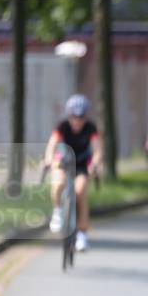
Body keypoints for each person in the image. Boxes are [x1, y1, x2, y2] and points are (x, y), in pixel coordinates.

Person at [44, 94, 102, 252]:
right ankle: (57, 211)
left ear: (86, 116)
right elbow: (52, 145)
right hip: (63, 162)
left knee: (81, 190)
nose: (77, 120)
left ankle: (82, 235)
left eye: (81, 117)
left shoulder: (91, 128)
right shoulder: (62, 126)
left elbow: (97, 149)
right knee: (58, 183)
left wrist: (96, 163)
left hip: (82, 165)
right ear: (69, 115)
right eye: (74, 116)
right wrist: (48, 159)